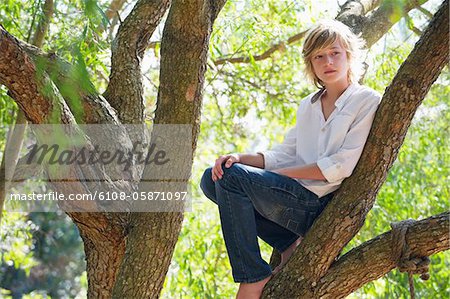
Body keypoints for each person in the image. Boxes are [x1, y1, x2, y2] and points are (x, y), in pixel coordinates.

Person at [200, 20, 381, 299]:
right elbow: (284, 154)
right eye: (319, 56)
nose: (328, 61)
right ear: (311, 63)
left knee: (235, 179)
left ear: (349, 56)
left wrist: (281, 177)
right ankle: (287, 241)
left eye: (335, 53)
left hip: (317, 204)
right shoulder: (308, 105)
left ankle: (252, 276)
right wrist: (239, 158)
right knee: (215, 177)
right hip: (291, 199)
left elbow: (342, 165)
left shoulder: (365, 100)